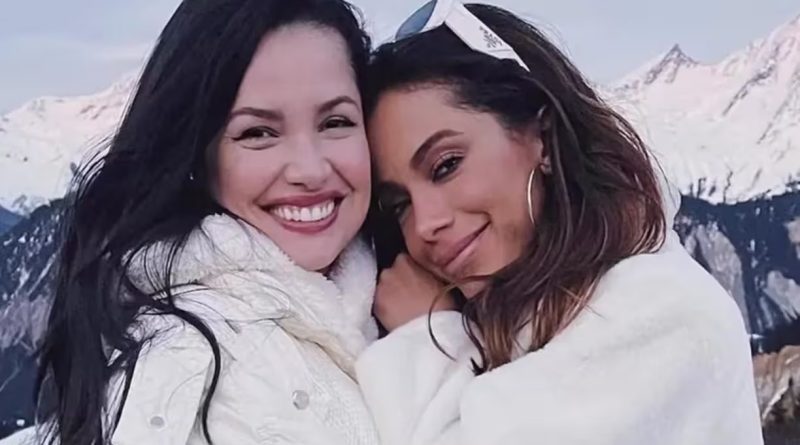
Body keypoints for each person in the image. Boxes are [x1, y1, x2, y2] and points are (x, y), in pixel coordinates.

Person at [356, 1, 764, 444]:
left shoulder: (659, 316)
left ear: (543, 138)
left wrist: (422, 342)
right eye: (399, 204)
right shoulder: (520, 316)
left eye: (446, 165)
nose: (424, 224)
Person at [20, 1, 380, 444]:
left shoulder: (399, 294)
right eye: (257, 133)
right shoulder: (184, 360)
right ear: (195, 156)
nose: (310, 169)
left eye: (336, 122)